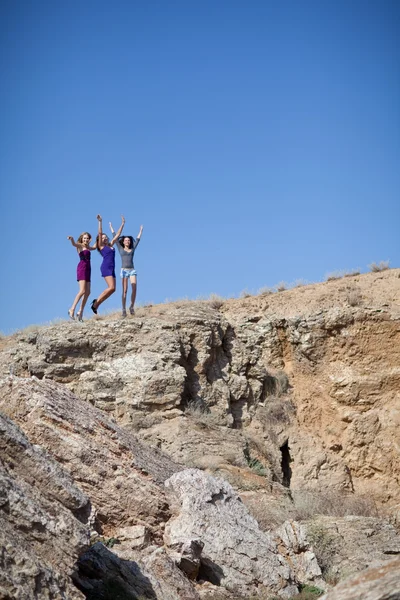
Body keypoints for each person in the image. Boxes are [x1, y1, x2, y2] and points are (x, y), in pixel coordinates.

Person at [90, 214, 125, 314]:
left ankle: (96, 304)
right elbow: (100, 233)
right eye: (103, 238)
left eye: (106, 237)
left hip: (112, 267)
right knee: (111, 287)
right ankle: (95, 303)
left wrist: (122, 224)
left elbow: (117, 235)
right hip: (106, 267)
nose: (105, 238)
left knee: (113, 289)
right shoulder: (101, 247)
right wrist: (100, 221)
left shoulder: (110, 245)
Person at [110, 221, 143, 317]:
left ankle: (131, 306)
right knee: (125, 290)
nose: (127, 241)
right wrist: (111, 227)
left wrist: (140, 230)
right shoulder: (120, 248)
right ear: (123, 241)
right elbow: (115, 238)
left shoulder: (133, 249)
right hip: (124, 271)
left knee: (134, 288)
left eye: (129, 240)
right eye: (126, 240)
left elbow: (137, 240)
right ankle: (123, 309)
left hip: (132, 270)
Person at [67, 232, 96, 321]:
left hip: (88, 269)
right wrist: (71, 239)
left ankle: (80, 312)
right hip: (82, 268)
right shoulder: (80, 245)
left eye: (87, 238)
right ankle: (72, 309)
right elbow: (74, 244)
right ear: (81, 239)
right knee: (82, 290)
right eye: (84, 238)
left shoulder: (88, 247)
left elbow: (95, 247)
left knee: (88, 292)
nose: (86, 240)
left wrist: (99, 237)